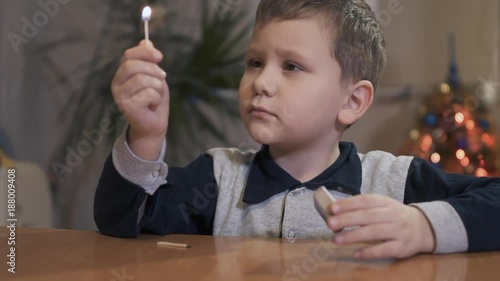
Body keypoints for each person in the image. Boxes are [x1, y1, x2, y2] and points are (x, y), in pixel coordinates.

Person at [94, 0, 500, 259]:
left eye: (291, 66)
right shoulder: (216, 179)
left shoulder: (393, 180)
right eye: (255, 62)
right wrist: (145, 136)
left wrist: (423, 226)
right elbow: (121, 221)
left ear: (352, 101)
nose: (261, 82)